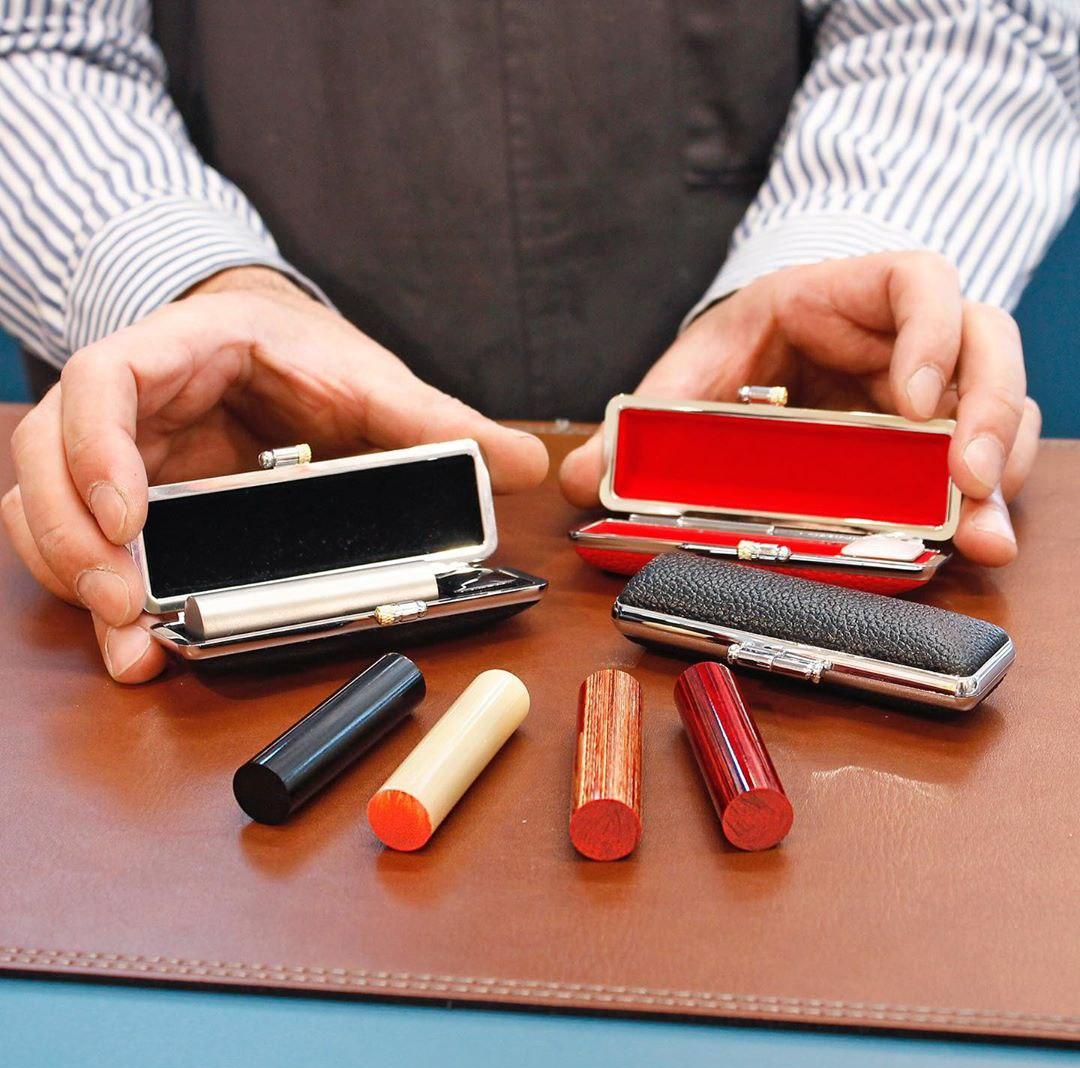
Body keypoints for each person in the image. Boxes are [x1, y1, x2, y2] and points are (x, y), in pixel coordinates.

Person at [0, 1, 1076, 682]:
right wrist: (178, 275)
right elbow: (31, 38)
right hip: (216, 418)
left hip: (773, 343)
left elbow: (971, 25)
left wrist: (835, 263)